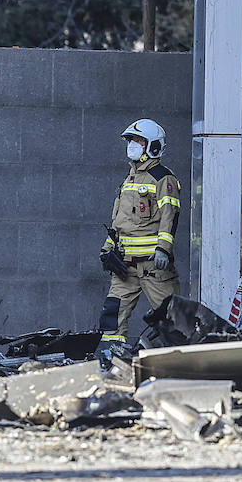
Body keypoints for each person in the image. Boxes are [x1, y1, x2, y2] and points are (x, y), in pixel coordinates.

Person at [97, 118, 181, 354]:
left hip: (153, 267)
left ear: (153, 146)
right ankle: (111, 360)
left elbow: (170, 215)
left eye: (138, 140)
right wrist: (108, 249)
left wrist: (163, 248)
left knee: (171, 319)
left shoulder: (163, 178)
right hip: (125, 267)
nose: (132, 145)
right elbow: (120, 221)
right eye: (131, 140)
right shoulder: (130, 178)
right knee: (112, 317)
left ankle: (182, 364)